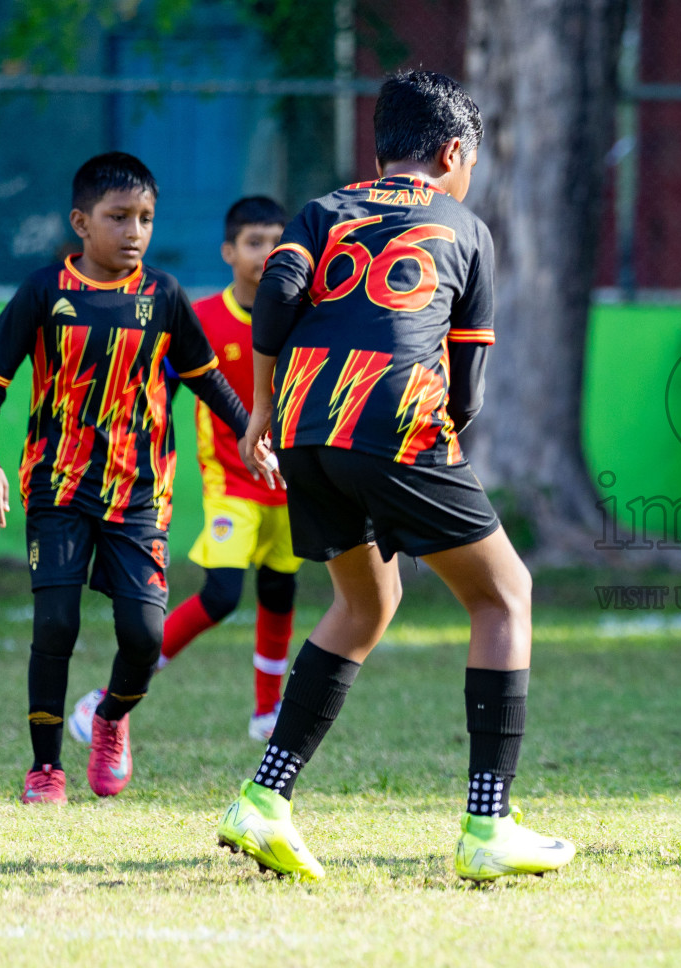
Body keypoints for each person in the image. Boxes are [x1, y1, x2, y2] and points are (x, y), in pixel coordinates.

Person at [213, 70, 574, 883]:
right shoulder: (465, 228)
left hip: (307, 424)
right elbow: (469, 385)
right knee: (504, 593)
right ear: (453, 152)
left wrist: (264, 408)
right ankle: (489, 824)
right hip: (396, 417)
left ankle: (263, 803)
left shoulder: (321, 211)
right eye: (471, 160)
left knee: (367, 600)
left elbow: (274, 298)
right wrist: (438, 448)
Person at [0, 152, 257, 804]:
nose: (134, 231)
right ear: (81, 222)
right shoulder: (46, 293)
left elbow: (205, 377)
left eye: (146, 219)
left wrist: (251, 434)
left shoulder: (162, 296)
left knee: (145, 634)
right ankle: (46, 768)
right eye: (118, 217)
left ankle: (109, 718)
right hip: (58, 488)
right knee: (55, 625)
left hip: (139, 493)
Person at [66, 197, 300, 745]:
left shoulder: (300, 316)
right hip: (232, 481)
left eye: (276, 241)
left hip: (289, 483)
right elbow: (161, 391)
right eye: (253, 242)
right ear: (228, 251)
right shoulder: (206, 318)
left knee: (280, 590)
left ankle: (267, 713)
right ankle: (111, 697)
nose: (266, 253)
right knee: (221, 594)